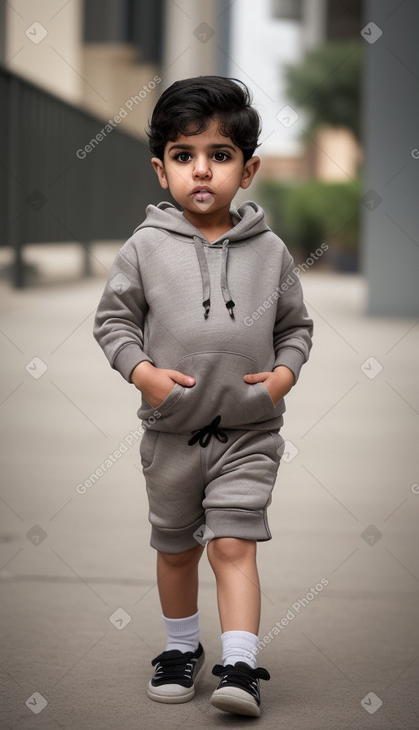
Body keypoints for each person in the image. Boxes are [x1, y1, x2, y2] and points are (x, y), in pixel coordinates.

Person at [93, 76, 313, 718]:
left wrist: (283, 376)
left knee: (233, 544)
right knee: (177, 546)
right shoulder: (144, 248)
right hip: (171, 434)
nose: (202, 171)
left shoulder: (270, 252)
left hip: (249, 431)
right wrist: (143, 372)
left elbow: (295, 326)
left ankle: (240, 665)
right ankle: (180, 648)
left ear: (248, 171)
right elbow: (114, 323)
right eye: (185, 156)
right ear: (161, 170)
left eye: (220, 155)